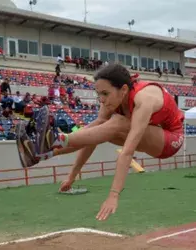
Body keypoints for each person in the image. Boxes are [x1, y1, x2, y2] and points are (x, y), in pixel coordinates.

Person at [16, 63, 184, 221]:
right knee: (101, 128)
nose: (101, 100)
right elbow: (92, 135)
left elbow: (127, 151)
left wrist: (113, 195)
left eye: (105, 94)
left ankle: (55, 140)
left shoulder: (144, 100)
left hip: (171, 140)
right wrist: (72, 175)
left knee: (118, 122)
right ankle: (42, 153)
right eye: (98, 95)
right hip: (149, 132)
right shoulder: (113, 99)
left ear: (123, 90)